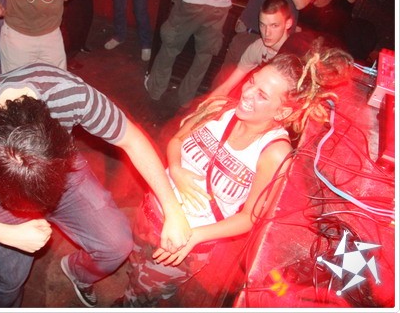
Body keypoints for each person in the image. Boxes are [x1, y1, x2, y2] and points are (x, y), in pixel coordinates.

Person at [0, 63, 191, 308]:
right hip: (0, 201)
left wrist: (173, 208)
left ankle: (77, 272)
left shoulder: (68, 93)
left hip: (64, 175)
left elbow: (132, 139)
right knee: (9, 278)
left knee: (117, 244)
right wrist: (7, 234)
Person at [116, 47, 354, 307]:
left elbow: (249, 218)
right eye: (252, 81)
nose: (247, 93)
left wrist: (194, 236)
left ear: (282, 112)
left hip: (183, 242)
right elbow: (177, 140)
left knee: (140, 296)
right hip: (150, 210)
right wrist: (176, 169)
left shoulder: (274, 153)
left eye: (262, 95)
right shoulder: (219, 109)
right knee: (133, 264)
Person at [210, 0, 294, 98]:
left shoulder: (295, 55)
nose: (267, 33)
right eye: (262, 25)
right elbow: (226, 87)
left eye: (274, 25)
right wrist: (204, 107)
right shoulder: (257, 47)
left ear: (288, 24)